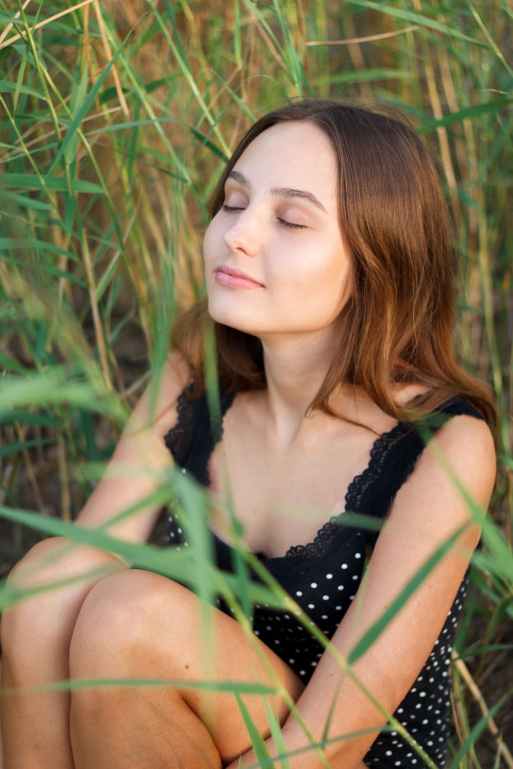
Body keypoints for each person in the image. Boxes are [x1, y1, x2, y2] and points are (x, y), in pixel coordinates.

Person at [0, 98, 497, 769]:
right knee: (47, 589)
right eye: (234, 202)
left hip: (335, 754)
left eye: (290, 220)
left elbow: (328, 744)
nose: (237, 233)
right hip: (191, 741)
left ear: (378, 259)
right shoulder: (196, 370)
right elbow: (87, 560)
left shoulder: (443, 444)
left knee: (130, 619)